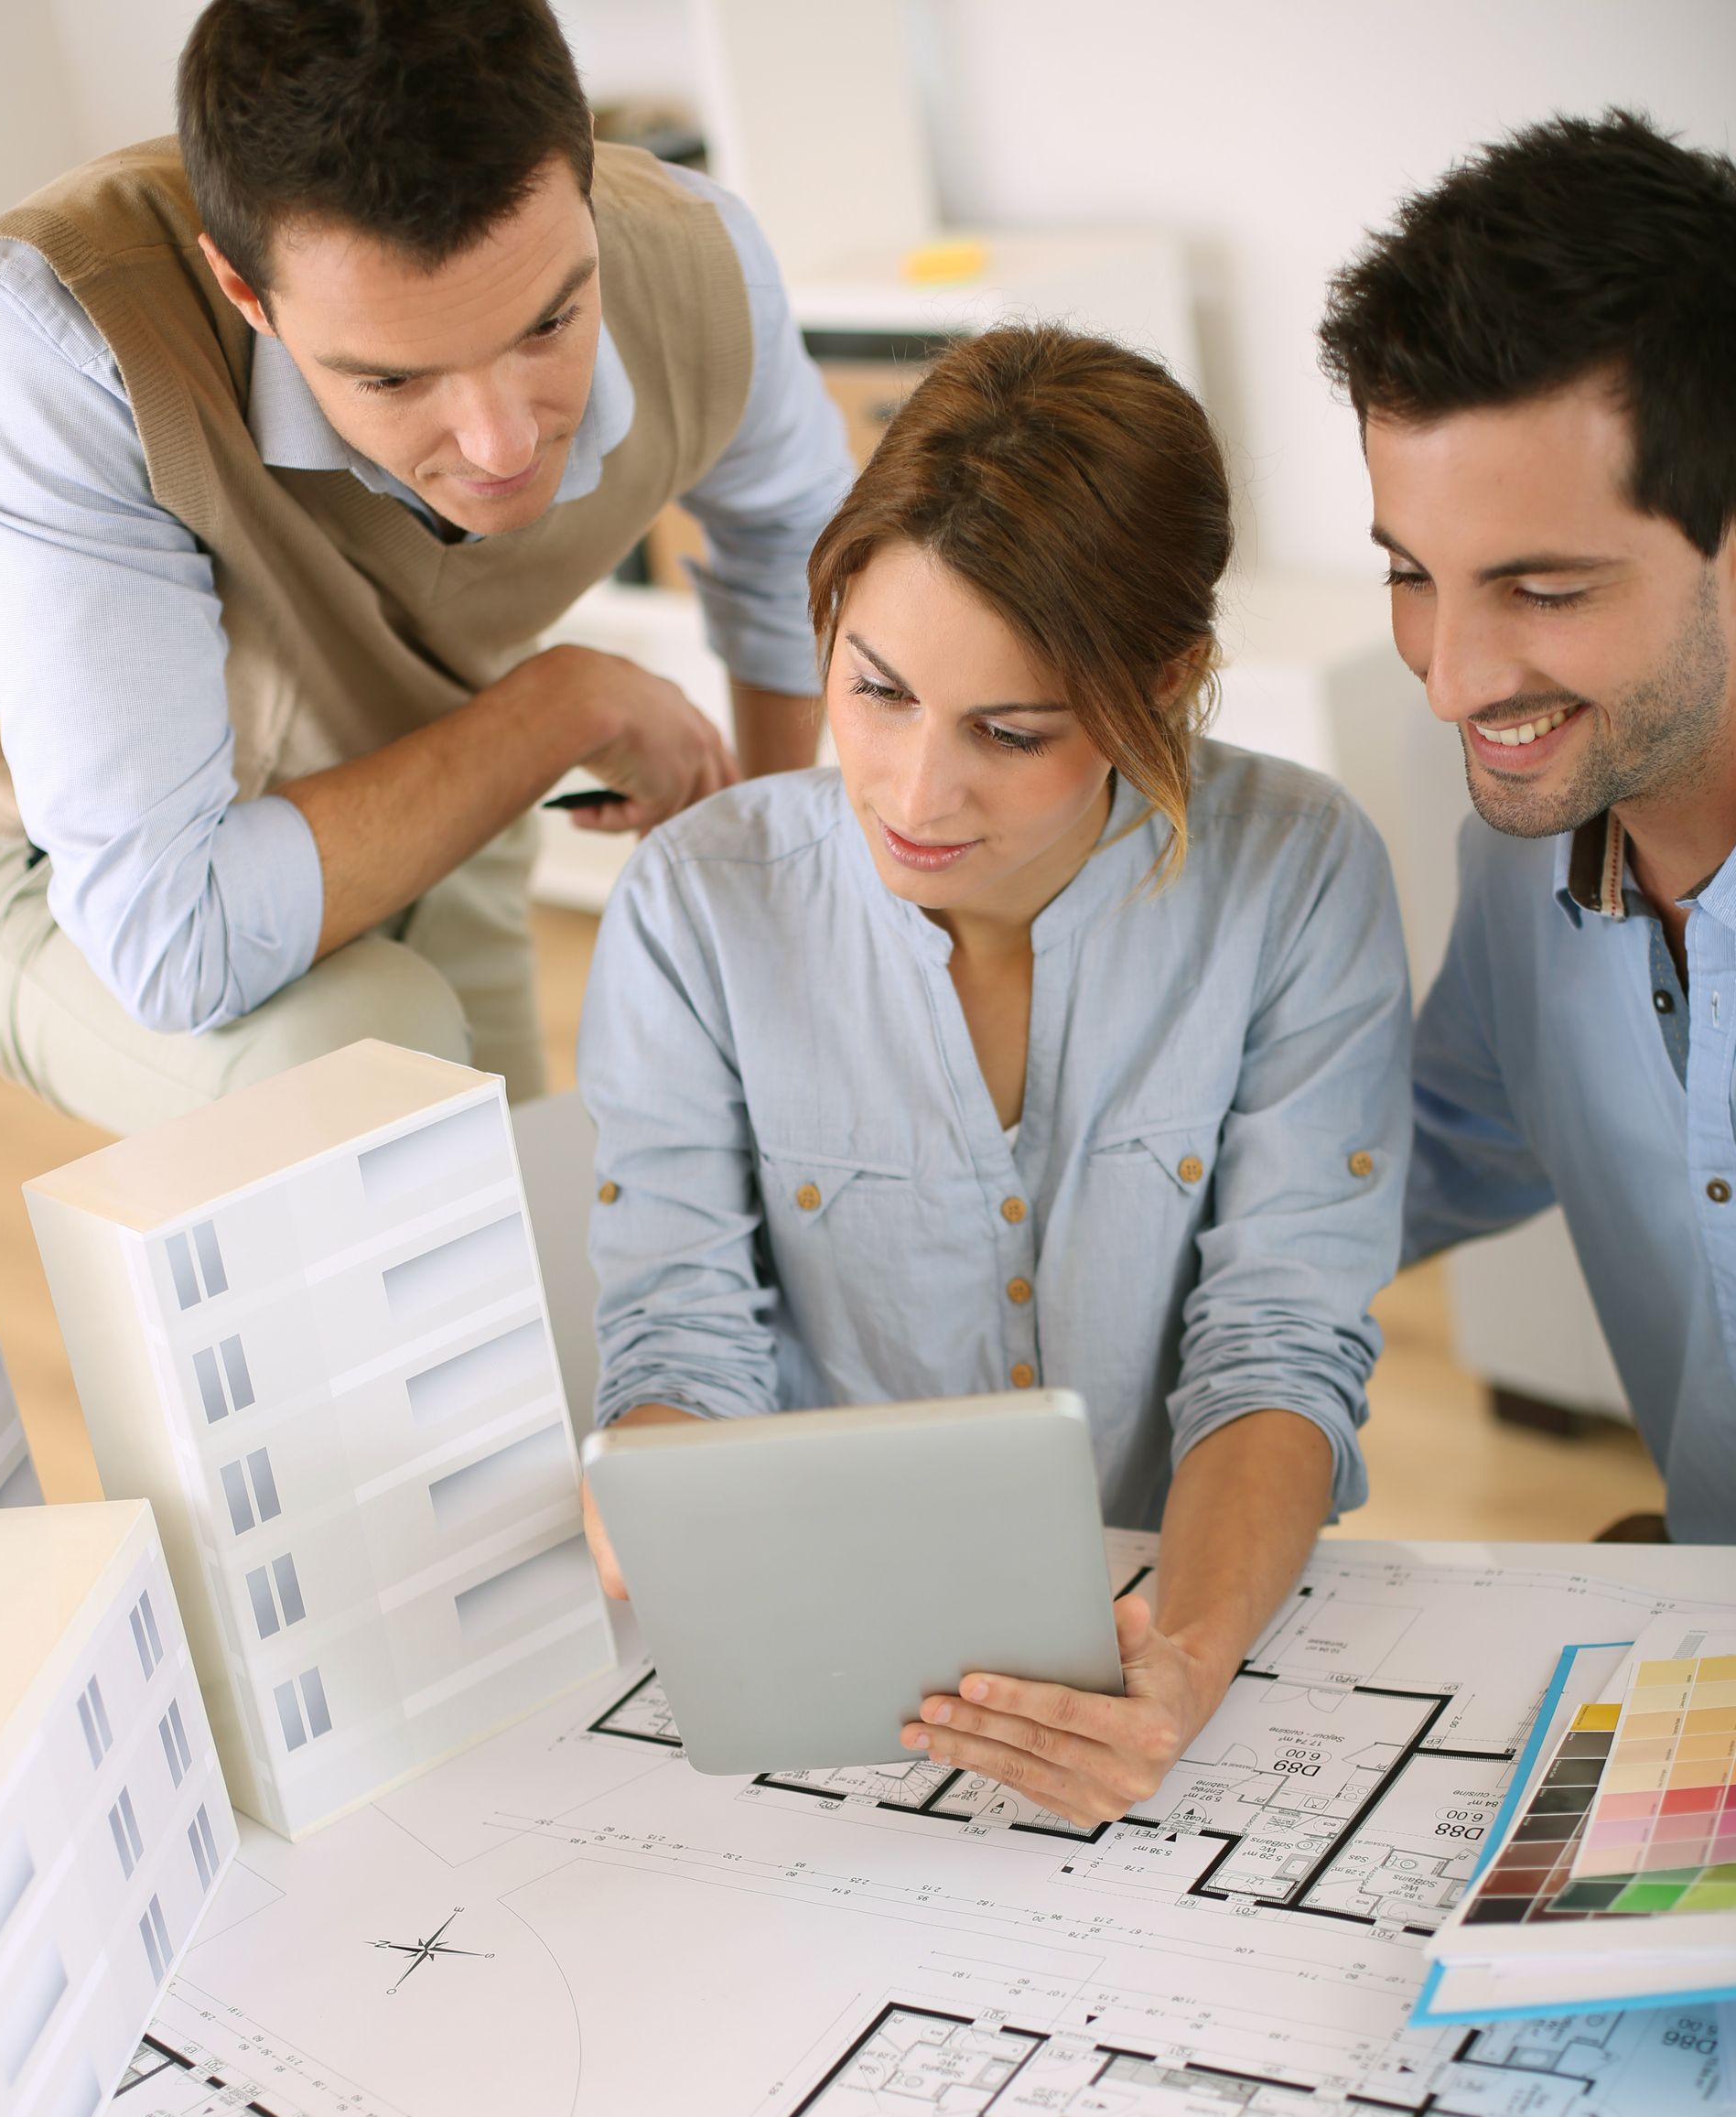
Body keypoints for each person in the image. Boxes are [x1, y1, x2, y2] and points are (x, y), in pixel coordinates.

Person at [575, 326, 1410, 1828]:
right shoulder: (699, 905)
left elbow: (1280, 1340)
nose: (913, 794)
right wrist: (650, 1477)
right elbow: (681, 1340)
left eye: (1010, 734)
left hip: (1188, 1639)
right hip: (835, 1681)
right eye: (875, 690)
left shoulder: (1298, 869)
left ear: (1165, 686)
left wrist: (1190, 1661)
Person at [0, 0, 848, 1131]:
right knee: (369, 1063)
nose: (504, 445)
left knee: (529, 1220)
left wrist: (764, 872)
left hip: (424, 784)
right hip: (51, 866)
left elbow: (795, 543)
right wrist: (562, 704)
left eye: (548, 323)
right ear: (250, 297)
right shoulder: (58, 338)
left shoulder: (705, 257)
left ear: (587, 187)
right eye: (394, 379)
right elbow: (171, 943)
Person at [1319, 111, 1736, 1542]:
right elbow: (1419, 1154)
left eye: (1546, 592)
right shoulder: (1521, 863)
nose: (1451, 680)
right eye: (1411, 575)